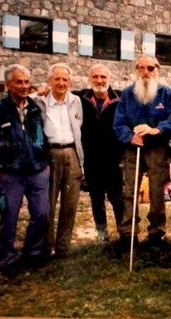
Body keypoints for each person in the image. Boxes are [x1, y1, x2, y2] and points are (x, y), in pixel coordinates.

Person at [0, 64, 50, 275]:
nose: (23, 86)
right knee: (9, 217)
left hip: (38, 170)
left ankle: (33, 253)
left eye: (27, 82)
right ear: (8, 85)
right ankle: (7, 259)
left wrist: (45, 162)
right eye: (19, 82)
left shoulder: (36, 106)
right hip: (11, 173)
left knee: (42, 214)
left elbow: (45, 133)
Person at [113, 55, 171, 248]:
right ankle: (129, 233)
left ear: (157, 70)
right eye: (141, 68)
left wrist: (157, 129)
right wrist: (130, 136)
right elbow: (118, 123)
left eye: (150, 68)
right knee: (130, 191)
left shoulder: (165, 93)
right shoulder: (127, 94)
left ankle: (156, 232)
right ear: (136, 70)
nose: (145, 72)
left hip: (157, 148)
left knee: (156, 192)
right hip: (133, 147)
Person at [31, 63, 84, 259]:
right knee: (48, 204)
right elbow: (15, 101)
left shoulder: (76, 100)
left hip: (72, 153)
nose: (61, 83)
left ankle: (63, 247)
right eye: (57, 79)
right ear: (49, 81)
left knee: (70, 204)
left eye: (65, 79)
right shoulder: (39, 100)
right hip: (50, 154)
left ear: (69, 82)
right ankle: (46, 246)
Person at [72, 64, 125, 244]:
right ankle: (101, 232)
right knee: (96, 197)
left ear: (109, 78)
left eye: (103, 77)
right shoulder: (79, 97)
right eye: (95, 77)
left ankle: (123, 231)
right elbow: (53, 96)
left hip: (114, 157)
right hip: (91, 157)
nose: (99, 80)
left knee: (117, 197)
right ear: (89, 78)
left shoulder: (121, 97)